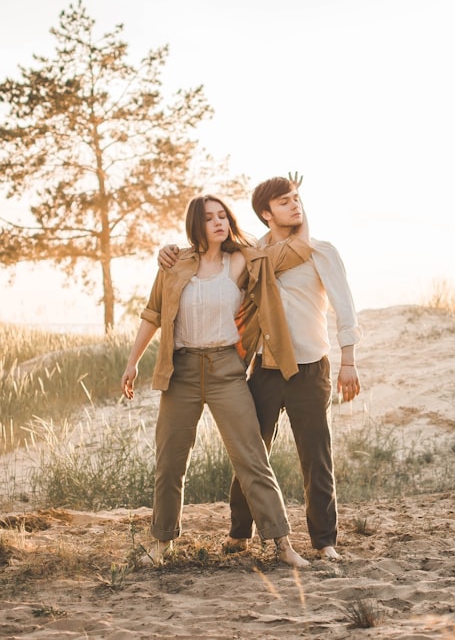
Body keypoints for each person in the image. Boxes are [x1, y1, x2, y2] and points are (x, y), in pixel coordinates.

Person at [159, 175, 362, 560]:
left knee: (316, 457)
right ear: (265, 213)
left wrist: (348, 360)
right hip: (264, 369)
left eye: (297, 199)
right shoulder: (250, 254)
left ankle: (324, 542)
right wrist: (166, 252)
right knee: (251, 453)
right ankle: (239, 533)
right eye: (284, 202)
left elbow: (344, 307)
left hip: (309, 367)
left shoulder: (321, 251)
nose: (295, 206)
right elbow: (204, 257)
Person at [121, 194, 311, 568]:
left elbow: (297, 249)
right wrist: (132, 362)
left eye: (223, 216)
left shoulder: (243, 259)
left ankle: (282, 544)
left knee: (252, 457)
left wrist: (300, 210)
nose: (219, 222)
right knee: (170, 461)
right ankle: (162, 542)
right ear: (197, 224)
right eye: (210, 218)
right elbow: (153, 313)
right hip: (182, 372)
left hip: (227, 369)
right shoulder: (175, 263)